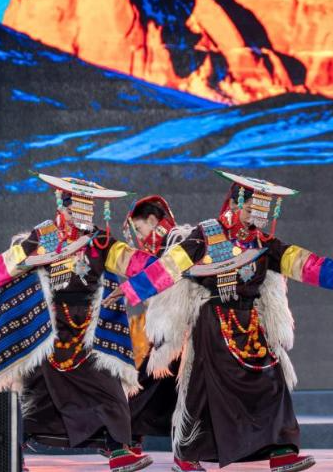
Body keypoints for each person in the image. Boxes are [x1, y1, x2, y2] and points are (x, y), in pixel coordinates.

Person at [106, 171, 333, 472]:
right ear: (235, 204)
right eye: (252, 208)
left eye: (262, 210)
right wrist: (131, 288)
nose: (257, 216)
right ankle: (186, 456)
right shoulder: (206, 234)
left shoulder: (263, 243)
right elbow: (169, 266)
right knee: (203, 391)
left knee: (273, 383)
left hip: (250, 323)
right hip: (213, 323)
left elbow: (300, 262)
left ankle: (282, 451)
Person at [0, 174, 158, 472]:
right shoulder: (44, 237)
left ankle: (119, 450)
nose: (82, 216)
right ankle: (13, 454)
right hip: (48, 330)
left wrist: (170, 266)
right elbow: (9, 262)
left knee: (108, 388)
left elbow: (134, 262)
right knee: (36, 394)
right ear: (63, 208)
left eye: (88, 210)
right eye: (76, 209)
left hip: (87, 332)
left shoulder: (100, 242)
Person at [122, 196, 186, 468]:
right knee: (152, 384)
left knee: (157, 385)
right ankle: (127, 438)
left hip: (182, 330)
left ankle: (126, 438)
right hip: (168, 332)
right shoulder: (161, 247)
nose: (139, 237)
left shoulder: (179, 240)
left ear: (152, 220)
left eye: (139, 229)